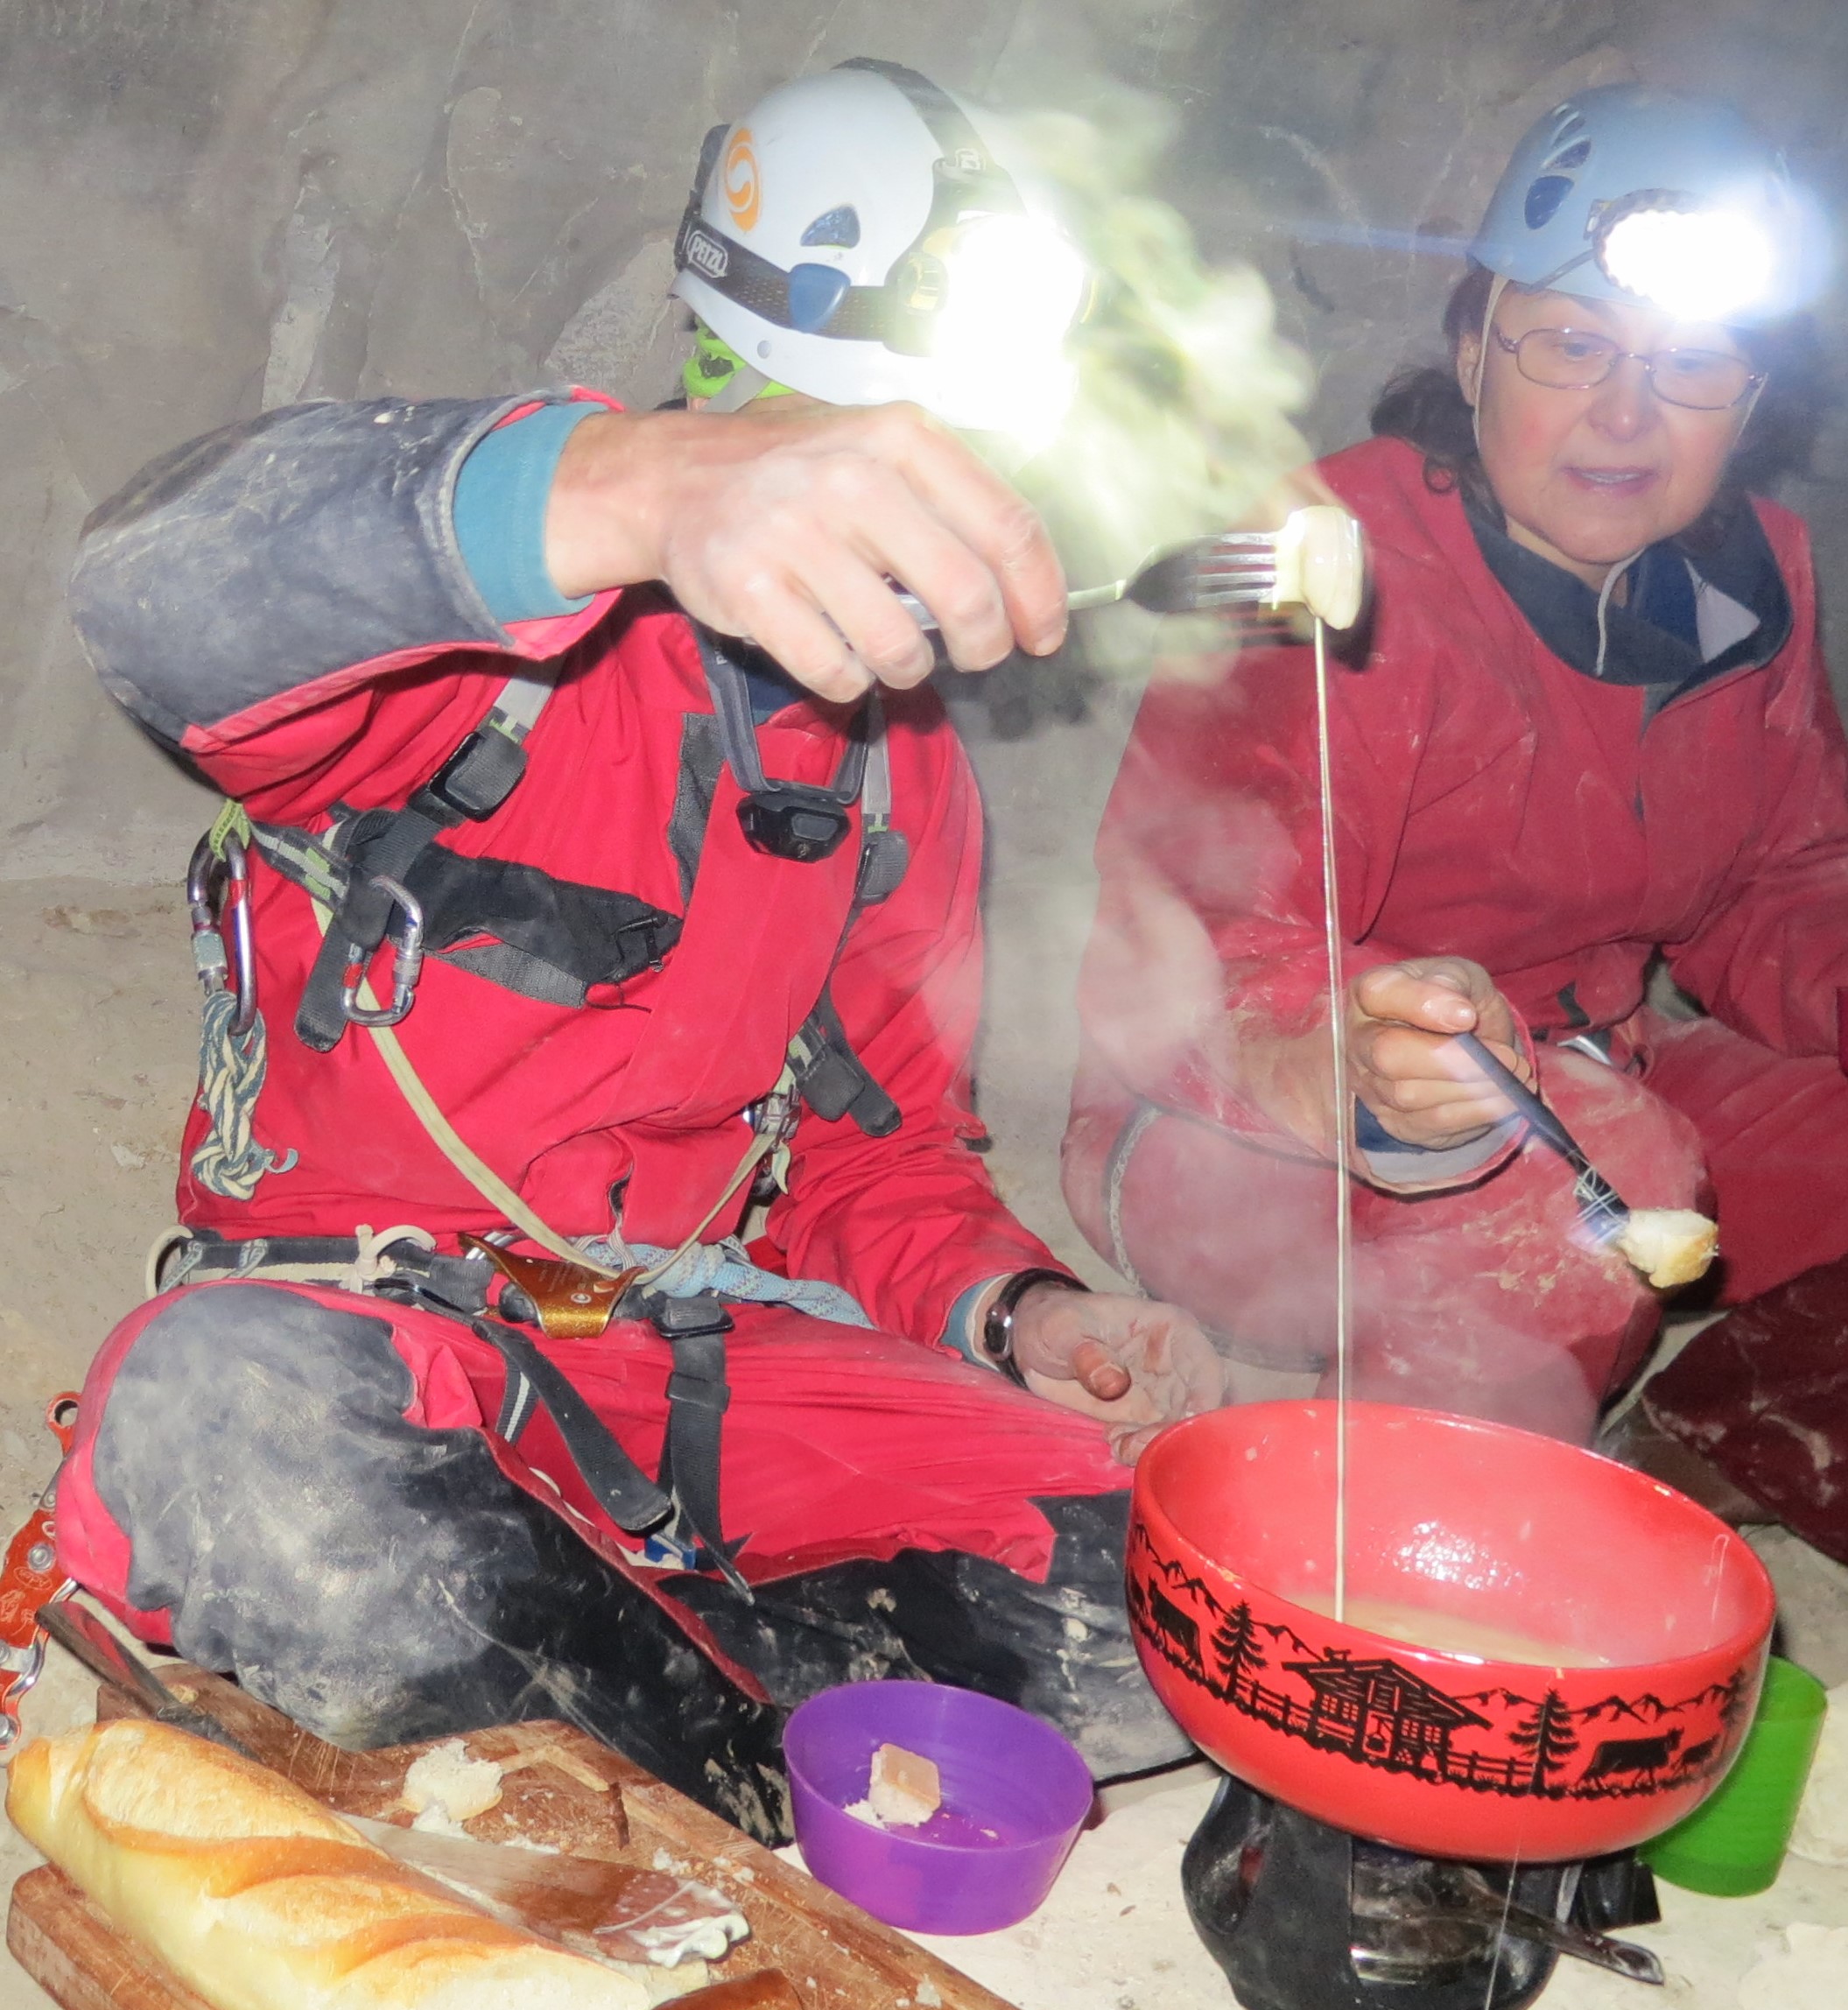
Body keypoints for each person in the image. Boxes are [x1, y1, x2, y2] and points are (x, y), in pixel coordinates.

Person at [54, 58, 1219, 1839]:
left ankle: (619, 1735)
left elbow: (875, 1147)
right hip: (379, 1346)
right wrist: (638, 493)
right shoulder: (505, 619)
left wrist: (1019, 1306)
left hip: (680, 1363)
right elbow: (155, 587)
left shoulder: (895, 773)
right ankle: (673, 1735)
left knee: (1162, 1576)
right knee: (224, 1422)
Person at [1065, 84, 1848, 1577]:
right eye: (1571, 347)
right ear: (1472, 353)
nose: (1625, 414)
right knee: (1602, 1168)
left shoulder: (1748, 580)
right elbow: (1193, 946)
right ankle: (1407, 1569)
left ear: (1753, 396)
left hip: (1598, 1080)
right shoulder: (1330, 560)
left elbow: (1781, 874)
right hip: (1241, 1132)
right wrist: (1345, 1049)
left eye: (1690, 366)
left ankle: (1705, 1464)